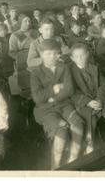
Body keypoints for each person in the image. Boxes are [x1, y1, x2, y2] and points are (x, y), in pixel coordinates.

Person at [29, 39, 84, 169]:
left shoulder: (63, 67)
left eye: (55, 53)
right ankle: (55, 166)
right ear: (41, 54)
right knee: (61, 132)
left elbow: (69, 90)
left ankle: (73, 160)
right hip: (45, 110)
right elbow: (37, 98)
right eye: (48, 54)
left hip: (64, 104)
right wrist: (54, 88)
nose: (53, 57)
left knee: (78, 125)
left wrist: (53, 98)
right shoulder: (35, 73)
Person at [70, 43, 105, 152]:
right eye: (77, 57)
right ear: (72, 58)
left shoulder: (94, 67)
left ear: (88, 54)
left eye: (83, 55)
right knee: (90, 120)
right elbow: (72, 93)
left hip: (99, 99)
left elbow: (104, 84)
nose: (80, 58)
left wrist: (99, 99)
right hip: (85, 104)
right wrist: (88, 102)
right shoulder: (70, 72)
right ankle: (89, 144)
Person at [8, 15, 36, 98]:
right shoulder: (15, 35)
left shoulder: (35, 33)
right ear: (20, 22)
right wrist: (22, 58)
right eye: (25, 21)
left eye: (29, 21)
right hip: (22, 61)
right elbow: (12, 52)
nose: (28, 23)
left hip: (35, 57)